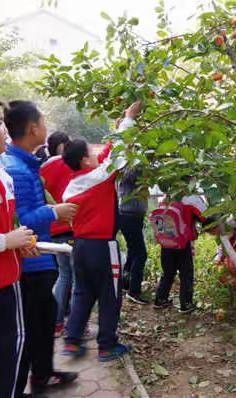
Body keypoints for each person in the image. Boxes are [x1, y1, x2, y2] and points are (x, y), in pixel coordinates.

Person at [1, 101, 78, 395]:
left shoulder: (25, 165)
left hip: (39, 259)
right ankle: (24, 384)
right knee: (28, 333)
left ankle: (43, 375)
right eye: (43, 122)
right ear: (33, 128)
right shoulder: (16, 171)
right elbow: (20, 222)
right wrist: (54, 212)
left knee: (43, 324)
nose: (46, 128)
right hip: (29, 266)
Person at [61, 102, 141, 362]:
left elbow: (107, 156)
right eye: (91, 153)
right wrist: (129, 118)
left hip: (81, 247)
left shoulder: (74, 185)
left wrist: (118, 130)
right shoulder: (98, 177)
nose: (96, 154)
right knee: (110, 295)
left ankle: (72, 340)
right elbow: (116, 157)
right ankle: (107, 345)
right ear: (85, 159)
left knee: (83, 293)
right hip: (102, 248)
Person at [0, 119, 37, 398]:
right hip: (3, 280)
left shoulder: (4, 174)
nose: (3, 128)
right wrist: (6, 242)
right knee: (11, 345)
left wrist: (17, 240)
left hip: (8, 275)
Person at [40, 136, 77, 337]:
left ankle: (56, 323)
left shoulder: (42, 168)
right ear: (61, 146)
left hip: (51, 229)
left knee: (63, 275)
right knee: (76, 277)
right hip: (69, 228)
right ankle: (74, 324)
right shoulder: (66, 165)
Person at [153, 194, 206, 313]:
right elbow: (204, 217)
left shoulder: (166, 198)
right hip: (183, 243)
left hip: (166, 242)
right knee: (186, 274)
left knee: (167, 272)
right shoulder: (190, 199)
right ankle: (186, 304)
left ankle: (160, 299)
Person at [117, 167, 149, 305]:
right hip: (129, 215)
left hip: (132, 215)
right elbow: (132, 176)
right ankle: (134, 292)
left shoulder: (133, 166)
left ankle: (126, 284)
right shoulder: (130, 168)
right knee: (141, 254)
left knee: (133, 250)